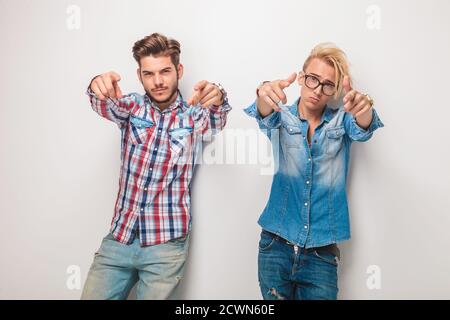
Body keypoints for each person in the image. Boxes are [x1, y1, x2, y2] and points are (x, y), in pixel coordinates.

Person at [81, 33, 231, 300]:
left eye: (165, 71)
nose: (158, 81)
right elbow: (101, 103)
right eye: (149, 74)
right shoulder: (132, 108)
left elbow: (216, 119)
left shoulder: (193, 115)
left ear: (179, 70)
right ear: (139, 75)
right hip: (120, 237)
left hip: (166, 245)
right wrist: (96, 85)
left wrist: (217, 96)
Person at [244, 43, 384, 300]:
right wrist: (264, 93)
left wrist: (365, 108)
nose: (318, 90)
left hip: (322, 252)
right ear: (301, 77)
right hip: (275, 245)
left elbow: (364, 128)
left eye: (327, 85)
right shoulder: (281, 116)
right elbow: (263, 111)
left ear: (335, 90)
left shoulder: (343, 121)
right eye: (312, 79)